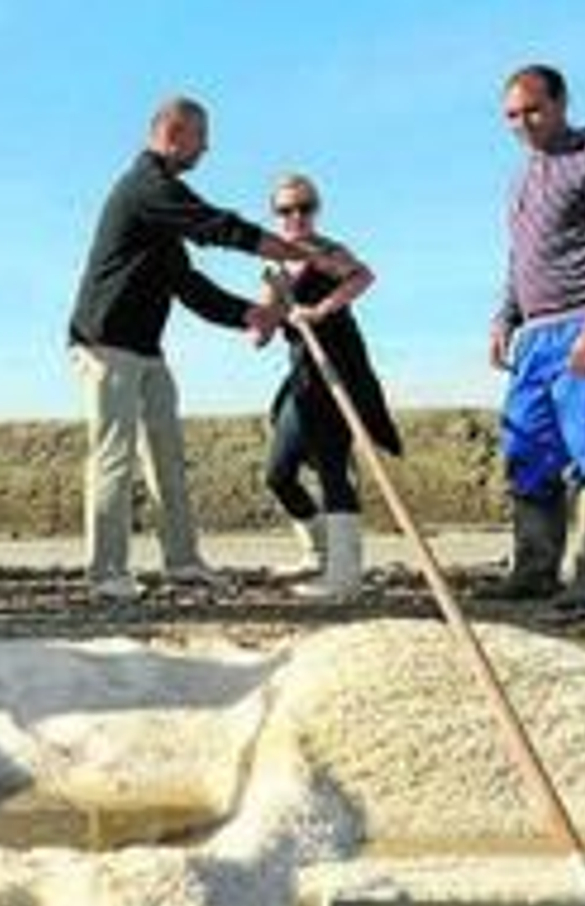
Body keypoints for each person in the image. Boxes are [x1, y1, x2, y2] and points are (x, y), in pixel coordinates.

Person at [66, 96, 346, 601]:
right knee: (113, 458)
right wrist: (292, 249)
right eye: (202, 138)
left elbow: (188, 284)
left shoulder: (159, 210)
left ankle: (184, 563)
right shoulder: (146, 188)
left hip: (146, 349)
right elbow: (216, 225)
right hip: (105, 345)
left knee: (168, 459)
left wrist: (249, 314)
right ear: (173, 133)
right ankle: (106, 574)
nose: (208, 148)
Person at [486, 65, 585, 610]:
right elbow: (520, 257)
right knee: (525, 447)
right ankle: (534, 569)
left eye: (532, 110)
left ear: (561, 102)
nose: (522, 123)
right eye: (511, 115)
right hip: (536, 333)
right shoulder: (522, 177)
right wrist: (505, 317)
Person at [259, 173, 402, 598]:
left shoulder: (326, 251)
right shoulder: (275, 260)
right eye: (287, 210)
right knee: (278, 472)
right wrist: (262, 325)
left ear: (316, 209)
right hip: (303, 371)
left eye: (305, 207)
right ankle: (317, 551)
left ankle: (345, 574)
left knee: (331, 463)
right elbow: (268, 314)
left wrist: (320, 309)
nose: (297, 216)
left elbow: (362, 277)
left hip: (339, 367)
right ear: (276, 214)